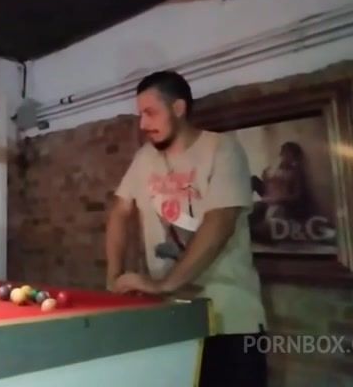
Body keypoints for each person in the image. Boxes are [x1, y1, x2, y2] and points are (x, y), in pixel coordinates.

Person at [105, 70, 267, 386]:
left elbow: (220, 221)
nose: (143, 124)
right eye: (140, 115)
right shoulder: (144, 158)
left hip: (230, 319)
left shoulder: (223, 149)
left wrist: (164, 284)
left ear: (178, 108)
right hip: (171, 319)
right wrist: (113, 278)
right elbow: (120, 211)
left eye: (151, 113)